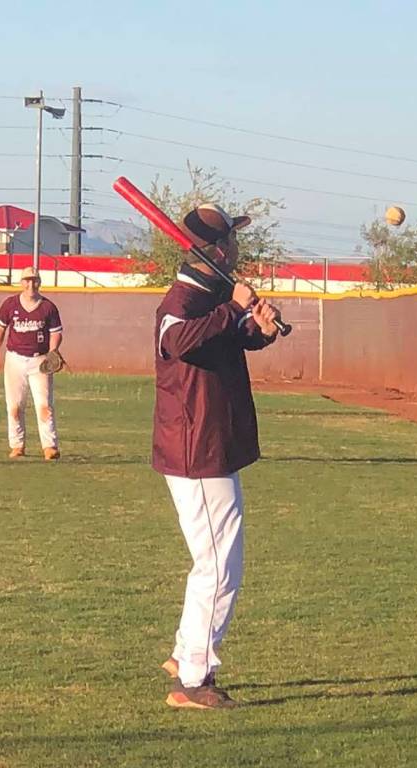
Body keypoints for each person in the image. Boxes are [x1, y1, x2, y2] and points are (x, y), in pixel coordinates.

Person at [153, 203, 282, 710]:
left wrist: (259, 327)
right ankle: (194, 680)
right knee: (218, 567)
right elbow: (178, 340)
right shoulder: (183, 298)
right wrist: (234, 307)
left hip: (210, 443)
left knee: (217, 562)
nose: (236, 245)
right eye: (231, 239)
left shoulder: (209, 294)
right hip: (195, 449)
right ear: (217, 248)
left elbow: (227, 341)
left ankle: (186, 653)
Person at [0, 267, 63, 460]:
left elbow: (55, 332)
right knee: (14, 405)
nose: (31, 284)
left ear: (39, 282)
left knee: (44, 405)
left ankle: (49, 447)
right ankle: (17, 445)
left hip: (40, 360)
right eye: (27, 280)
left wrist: (53, 351)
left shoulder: (48, 307)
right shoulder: (10, 304)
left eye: (34, 280)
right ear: (21, 282)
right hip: (15, 359)